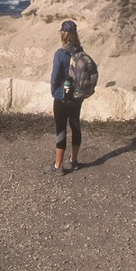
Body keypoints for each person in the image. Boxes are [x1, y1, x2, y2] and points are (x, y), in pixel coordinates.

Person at [47, 20, 83, 176]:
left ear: (63, 34)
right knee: (75, 126)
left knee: (61, 129)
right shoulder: (80, 51)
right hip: (77, 96)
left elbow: (55, 77)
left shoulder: (61, 53)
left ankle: (58, 166)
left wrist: (54, 92)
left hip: (62, 97)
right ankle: (74, 161)